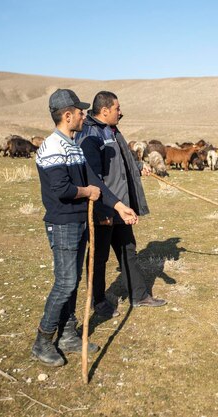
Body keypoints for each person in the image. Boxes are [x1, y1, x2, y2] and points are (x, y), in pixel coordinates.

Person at [32, 89, 137, 367]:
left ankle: (67, 335)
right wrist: (86, 191)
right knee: (65, 283)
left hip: (79, 222)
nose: (83, 114)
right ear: (67, 115)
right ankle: (42, 340)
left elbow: (96, 183)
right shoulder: (53, 147)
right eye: (79, 111)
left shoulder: (73, 145)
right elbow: (62, 189)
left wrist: (118, 207)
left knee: (73, 281)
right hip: (63, 224)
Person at [75, 91, 167, 315]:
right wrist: (100, 209)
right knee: (99, 257)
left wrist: (137, 167)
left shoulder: (112, 130)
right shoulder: (90, 135)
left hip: (121, 206)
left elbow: (120, 160)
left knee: (128, 250)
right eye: (117, 108)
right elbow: (92, 177)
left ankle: (139, 295)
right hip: (105, 207)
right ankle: (98, 301)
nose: (121, 112)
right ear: (104, 110)